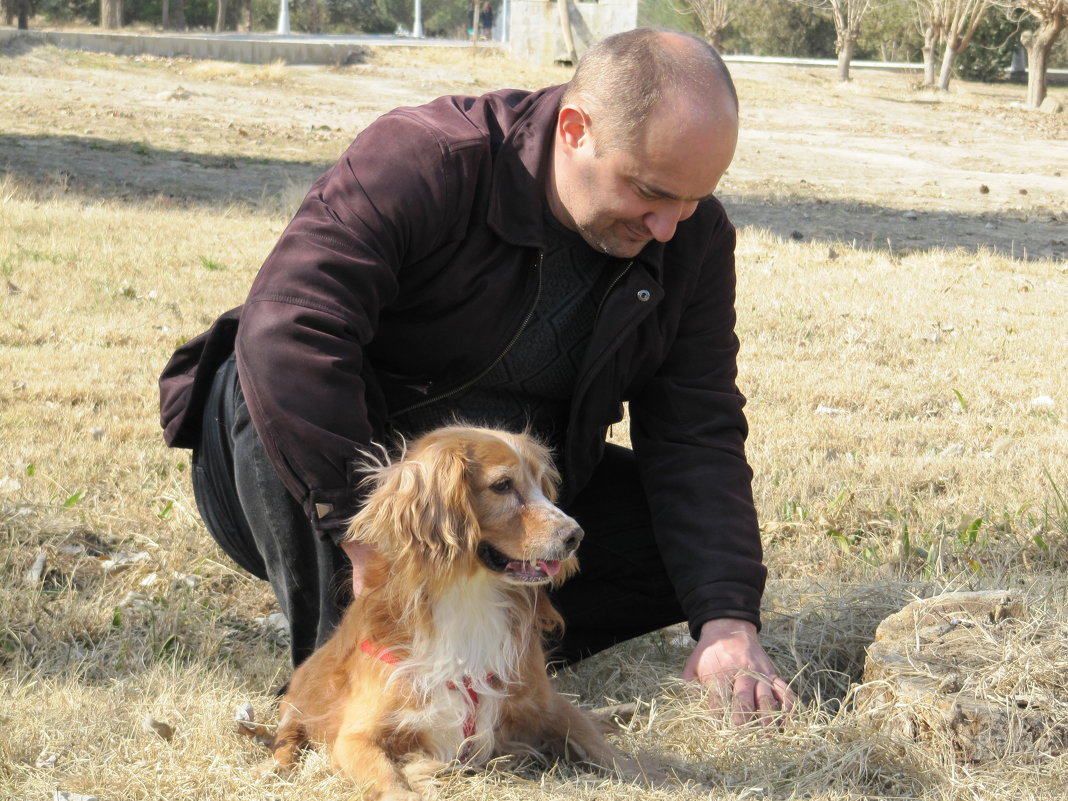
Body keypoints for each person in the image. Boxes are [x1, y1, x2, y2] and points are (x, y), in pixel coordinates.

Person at [159, 27, 795, 725]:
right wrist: (365, 530)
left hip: (502, 503)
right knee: (259, 378)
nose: (669, 225)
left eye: (692, 199)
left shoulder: (693, 239)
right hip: (336, 486)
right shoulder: (427, 158)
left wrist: (728, 618)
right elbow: (291, 326)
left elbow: (696, 426)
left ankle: (480, 668)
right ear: (576, 130)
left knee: (674, 545)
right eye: (649, 190)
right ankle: (349, 694)